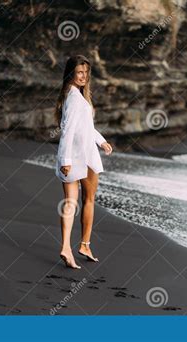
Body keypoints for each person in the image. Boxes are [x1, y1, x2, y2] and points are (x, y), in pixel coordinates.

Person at [54, 55, 113, 269]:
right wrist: (65, 160)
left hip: (80, 153)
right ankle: (84, 245)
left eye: (86, 73)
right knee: (87, 200)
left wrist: (101, 140)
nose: (83, 77)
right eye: (79, 72)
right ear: (71, 73)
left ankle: (67, 248)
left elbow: (85, 128)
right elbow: (67, 131)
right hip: (82, 157)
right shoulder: (74, 99)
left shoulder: (73, 96)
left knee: (71, 202)